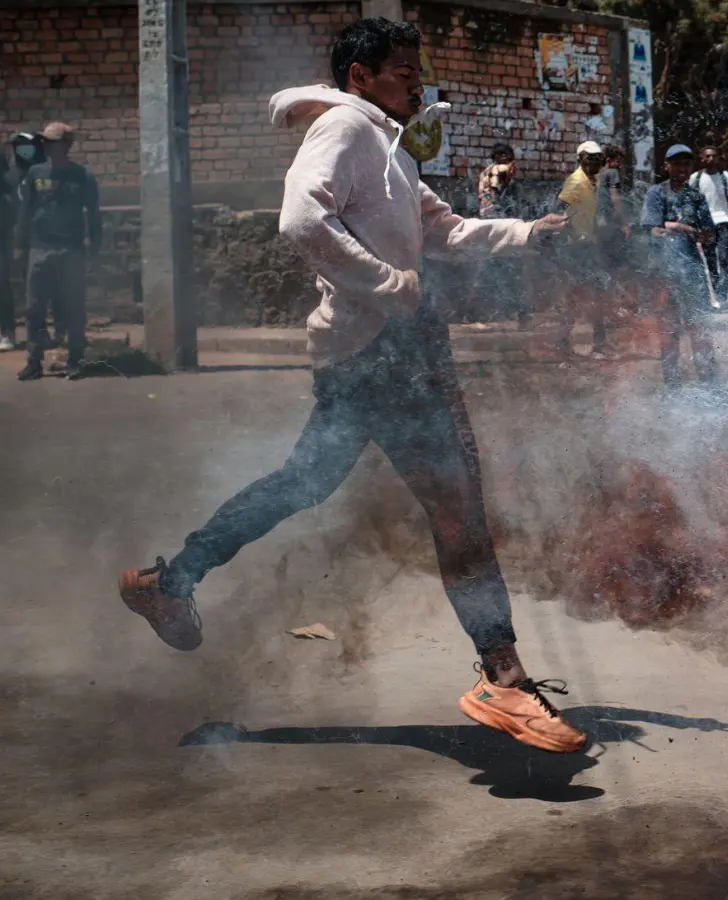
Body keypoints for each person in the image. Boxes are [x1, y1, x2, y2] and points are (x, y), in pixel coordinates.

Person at [116, 17, 587, 754]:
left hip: (378, 350)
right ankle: (504, 678)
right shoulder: (347, 128)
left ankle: (169, 580)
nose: (416, 81)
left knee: (305, 481)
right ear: (360, 75)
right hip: (386, 351)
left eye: (416, 68)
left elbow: (445, 230)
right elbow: (301, 217)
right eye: (401, 69)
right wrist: (390, 285)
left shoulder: (390, 147)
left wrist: (529, 234)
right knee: (457, 508)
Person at [14, 123, 100, 381]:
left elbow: (94, 215)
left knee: (73, 308)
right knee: (34, 309)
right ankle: (34, 361)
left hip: (71, 250)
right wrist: (20, 245)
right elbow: (25, 211)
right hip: (40, 248)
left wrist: (94, 247)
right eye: (46, 143)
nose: (49, 147)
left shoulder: (82, 176)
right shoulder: (35, 174)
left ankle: (75, 360)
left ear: (67, 145)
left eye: (54, 142)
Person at [640, 144, 717, 385]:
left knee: (699, 325)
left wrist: (704, 235)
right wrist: (675, 227)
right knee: (669, 327)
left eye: (687, 163)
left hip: (692, 269)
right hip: (664, 270)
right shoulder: (656, 193)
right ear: (666, 166)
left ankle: (707, 380)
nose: (682, 168)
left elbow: (709, 231)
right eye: (677, 163)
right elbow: (650, 229)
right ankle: (672, 381)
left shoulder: (696, 196)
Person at [552, 139, 613, 358]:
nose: (595, 162)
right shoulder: (576, 182)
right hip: (574, 248)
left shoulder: (593, 180)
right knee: (579, 296)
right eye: (590, 158)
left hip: (587, 246)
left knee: (593, 294)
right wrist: (565, 229)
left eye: (598, 159)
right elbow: (558, 208)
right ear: (580, 160)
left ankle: (597, 341)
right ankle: (569, 342)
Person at [0, 132, 43, 352]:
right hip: (9, 236)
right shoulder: (10, 177)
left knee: (40, 287)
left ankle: (44, 334)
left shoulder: (44, 172)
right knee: (3, 284)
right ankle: (7, 331)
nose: (24, 150)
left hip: (40, 237)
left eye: (28, 146)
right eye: (19, 146)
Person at [474, 143, 525, 324]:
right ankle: (520, 314)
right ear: (500, 157)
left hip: (491, 222)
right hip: (499, 222)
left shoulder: (487, 171)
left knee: (496, 267)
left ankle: (489, 313)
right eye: (507, 157)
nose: (510, 161)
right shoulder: (498, 171)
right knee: (509, 268)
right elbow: (497, 192)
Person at [690, 146, 728, 311]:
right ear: (702, 158)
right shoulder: (695, 178)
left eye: (714, 156)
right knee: (711, 262)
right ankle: (717, 296)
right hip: (705, 225)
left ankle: (723, 298)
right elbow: (691, 203)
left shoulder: (726, 177)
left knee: (723, 261)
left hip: (723, 222)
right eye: (707, 156)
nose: (711, 159)